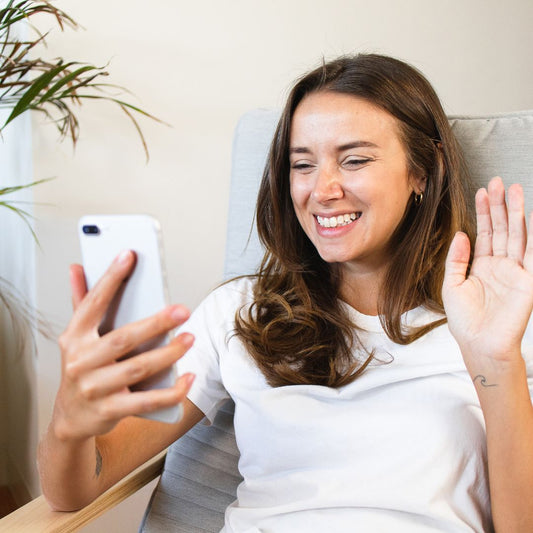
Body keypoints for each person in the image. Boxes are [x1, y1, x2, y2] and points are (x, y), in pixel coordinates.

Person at [37, 54, 533, 532]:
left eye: (354, 159)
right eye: (302, 165)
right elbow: (76, 488)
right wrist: (69, 421)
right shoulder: (241, 311)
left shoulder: (496, 319)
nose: (322, 190)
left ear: (422, 171)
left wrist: (495, 362)